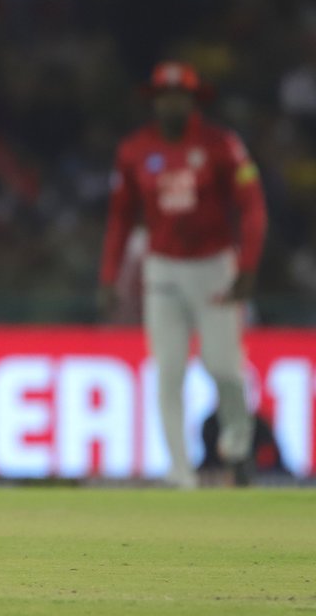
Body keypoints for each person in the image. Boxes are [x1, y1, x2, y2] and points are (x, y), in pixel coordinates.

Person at [99, 60, 267, 488]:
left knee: (224, 367)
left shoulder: (222, 145)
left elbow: (252, 209)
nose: (171, 103)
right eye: (164, 96)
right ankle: (179, 470)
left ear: (193, 101)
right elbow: (119, 218)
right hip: (163, 270)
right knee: (168, 370)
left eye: (179, 96)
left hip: (214, 267)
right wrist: (109, 276)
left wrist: (246, 266)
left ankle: (239, 441)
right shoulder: (134, 150)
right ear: (154, 101)